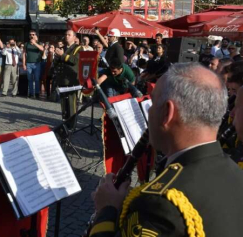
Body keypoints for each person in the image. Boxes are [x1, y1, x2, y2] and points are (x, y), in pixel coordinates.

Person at [90, 62, 243, 237]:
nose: (149, 112)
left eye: (153, 103)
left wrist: (106, 210)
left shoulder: (158, 204)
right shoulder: (236, 172)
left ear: (167, 113)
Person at [54, 30, 81, 130]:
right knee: (63, 103)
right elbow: (58, 63)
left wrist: (62, 55)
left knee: (71, 103)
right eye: (65, 34)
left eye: (69, 35)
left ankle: (72, 125)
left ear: (74, 37)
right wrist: (56, 57)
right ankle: (65, 122)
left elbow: (75, 60)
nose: (66, 36)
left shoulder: (78, 48)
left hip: (71, 80)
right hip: (62, 78)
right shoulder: (62, 48)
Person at [22, 30, 44, 99]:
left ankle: (37, 93)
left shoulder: (39, 43)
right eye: (30, 34)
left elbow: (42, 49)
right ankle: (31, 93)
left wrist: (35, 43)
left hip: (37, 63)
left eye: (33, 34)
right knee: (30, 79)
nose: (31, 36)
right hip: (28, 63)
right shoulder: (26, 44)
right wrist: (23, 64)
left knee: (37, 79)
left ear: (36, 35)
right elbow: (24, 54)